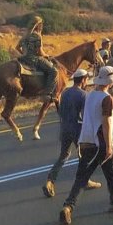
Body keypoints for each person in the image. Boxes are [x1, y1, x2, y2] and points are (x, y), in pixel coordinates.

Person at [59, 66, 113, 225]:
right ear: (110, 82)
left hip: (85, 140)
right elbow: (106, 123)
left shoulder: (89, 95)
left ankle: (68, 206)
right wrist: (109, 145)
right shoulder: (107, 99)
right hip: (100, 142)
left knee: (82, 177)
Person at [42, 69, 102, 198]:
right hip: (77, 130)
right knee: (84, 156)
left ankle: (50, 180)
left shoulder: (65, 93)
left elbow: (60, 112)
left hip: (64, 129)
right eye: (87, 79)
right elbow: (85, 116)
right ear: (83, 80)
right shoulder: (83, 95)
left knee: (63, 156)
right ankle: (85, 181)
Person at [15, 15, 57, 103]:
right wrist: (47, 56)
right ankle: (47, 94)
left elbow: (17, 48)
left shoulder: (25, 35)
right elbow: (40, 52)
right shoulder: (37, 36)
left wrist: (24, 54)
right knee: (54, 71)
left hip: (23, 59)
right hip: (34, 59)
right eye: (41, 25)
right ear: (39, 25)